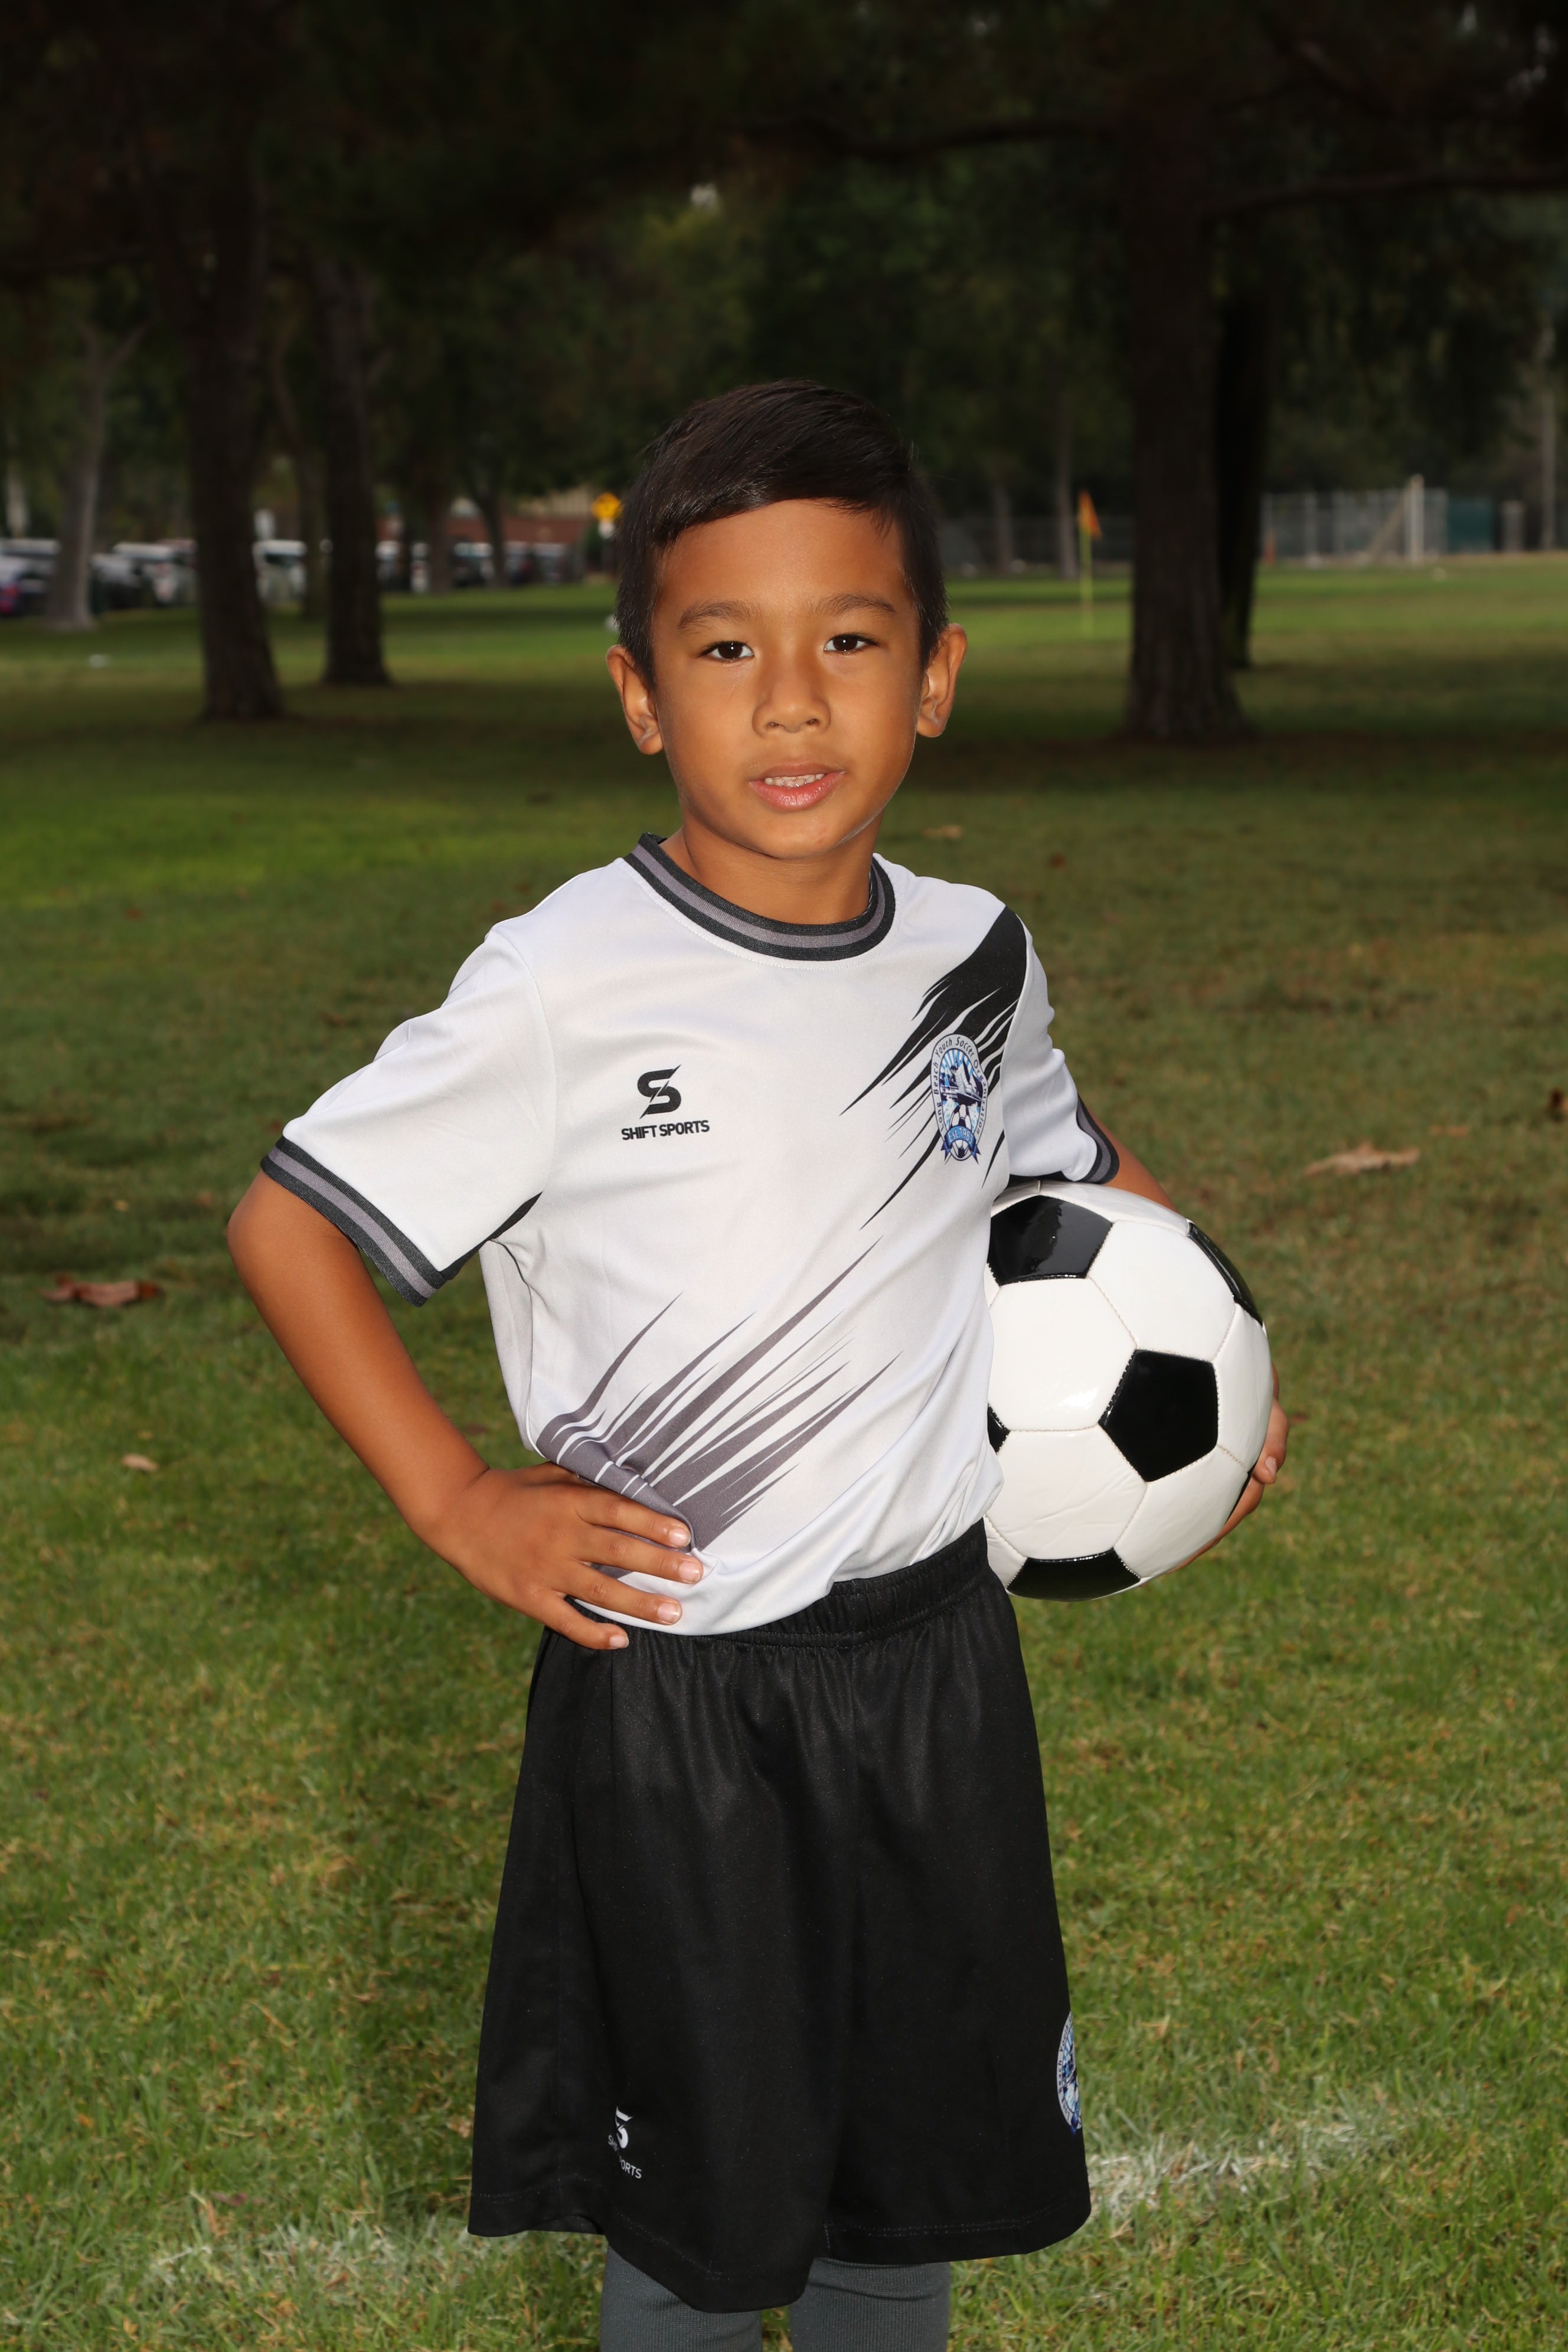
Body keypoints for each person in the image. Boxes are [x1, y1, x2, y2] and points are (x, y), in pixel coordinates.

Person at [228, 380, 1287, 2352]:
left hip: (937, 1669)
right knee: (699, 2239)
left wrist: (1229, 1367)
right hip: (682, 1704)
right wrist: (456, 1499)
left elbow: (1066, 1168)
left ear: (935, 678)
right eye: (727, 651)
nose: (792, 704)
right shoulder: (564, 983)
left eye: (849, 642)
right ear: (641, 695)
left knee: (915, 2191)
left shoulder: (973, 955)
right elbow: (289, 1227)